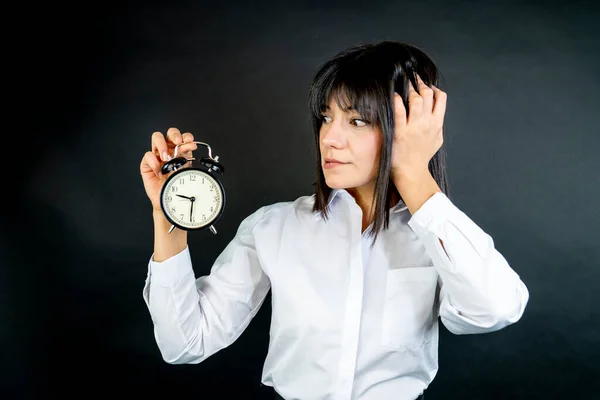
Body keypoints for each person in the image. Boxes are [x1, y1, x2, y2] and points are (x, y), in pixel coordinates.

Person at [139, 40, 529, 400]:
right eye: (326, 118)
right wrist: (167, 214)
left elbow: (495, 309)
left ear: (411, 125)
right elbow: (185, 345)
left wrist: (412, 171)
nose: (330, 138)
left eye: (357, 121)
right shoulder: (274, 228)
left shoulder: (438, 237)